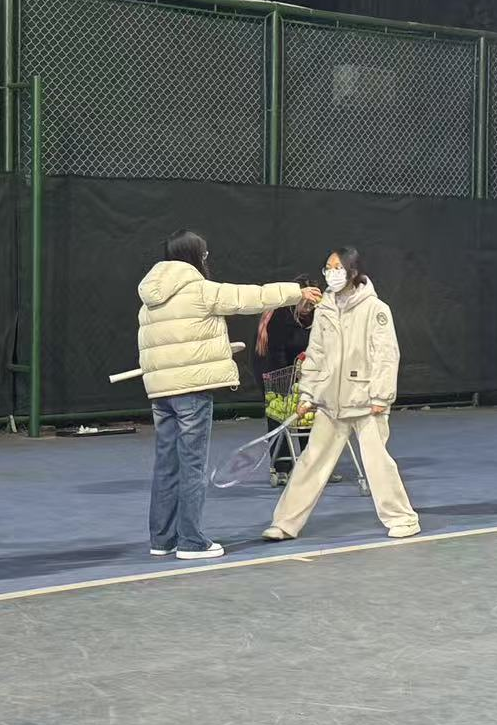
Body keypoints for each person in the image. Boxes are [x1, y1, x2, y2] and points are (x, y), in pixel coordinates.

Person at [138, 231, 321, 561]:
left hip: (161, 393)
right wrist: (297, 292)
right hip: (192, 392)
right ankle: (191, 542)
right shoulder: (199, 289)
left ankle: (162, 540)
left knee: (167, 464)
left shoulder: (150, 296)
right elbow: (249, 297)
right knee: (193, 466)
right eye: (204, 254)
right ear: (196, 256)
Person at [262, 247, 420, 542]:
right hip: (330, 404)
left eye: (337, 268)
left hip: (366, 402)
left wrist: (380, 397)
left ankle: (403, 518)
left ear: (353, 271)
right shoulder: (324, 309)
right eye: (327, 268)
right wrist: (308, 394)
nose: (331, 274)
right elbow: (316, 354)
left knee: (377, 463)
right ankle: (284, 523)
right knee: (311, 462)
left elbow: (386, 355)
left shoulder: (376, 309)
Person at [255, 274, 321, 482]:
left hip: (302, 371)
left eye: (312, 303)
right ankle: (281, 467)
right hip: (275, 370)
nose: (309, 307)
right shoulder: (280, 315)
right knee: (279, 413)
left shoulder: (319, 315)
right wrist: (291, 383)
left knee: (310, 416)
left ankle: (312, 465)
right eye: (305, 302)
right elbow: (277, 352)